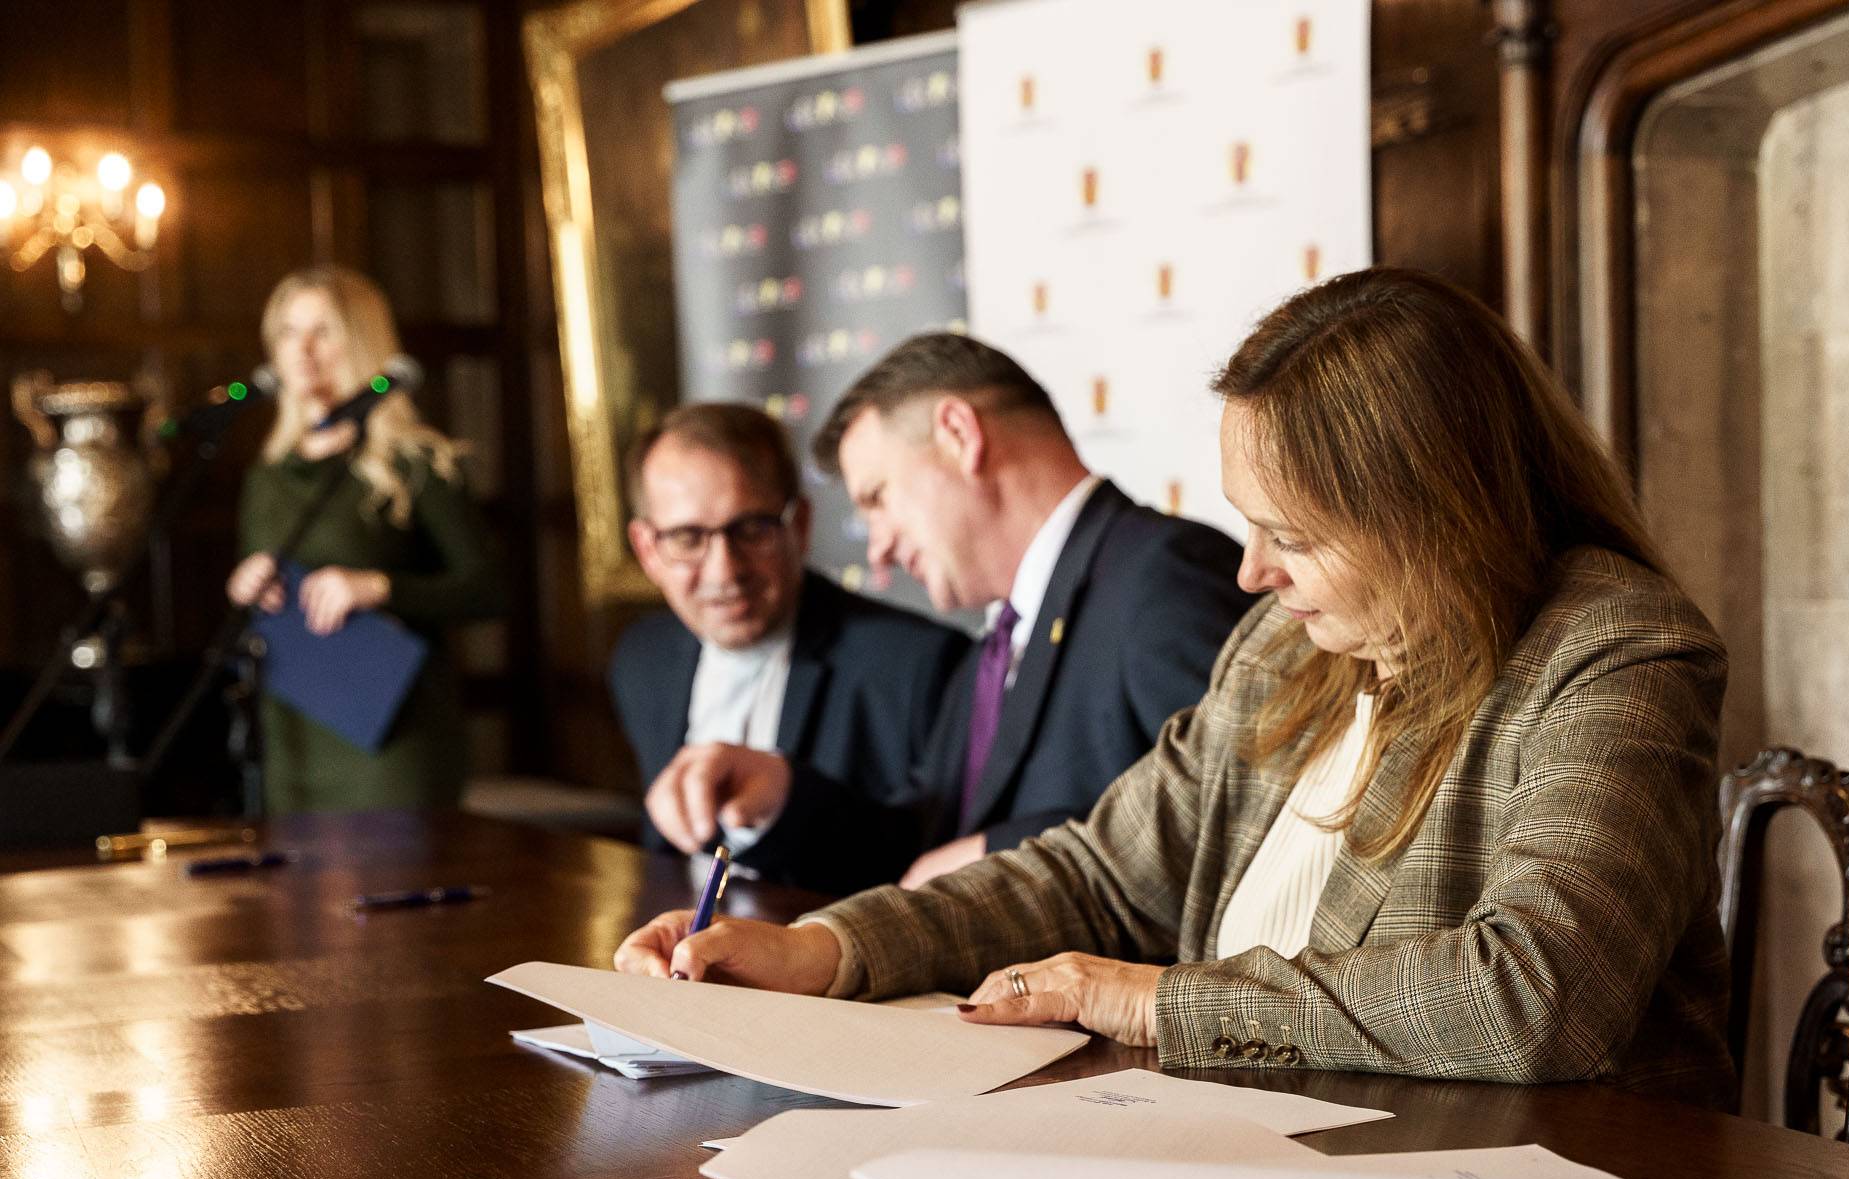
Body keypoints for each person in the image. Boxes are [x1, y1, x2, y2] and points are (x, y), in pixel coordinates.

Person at [616, 267, 1735, 1105]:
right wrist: (826, 950)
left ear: (1430, 517)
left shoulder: (1616, 653)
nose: (1250, 571)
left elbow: (1535, 994)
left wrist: (1151, 999)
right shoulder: (1288, 646)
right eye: (1249, 524)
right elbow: (1097, 873)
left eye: (1293, 534)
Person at [652, 333, 1248, 895]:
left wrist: (1004, 852)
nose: (878, 548)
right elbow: (920, 850)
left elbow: (1246, 813)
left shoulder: (1164, 576)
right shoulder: (997, 644)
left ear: (959, 434)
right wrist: (779, 796)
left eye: (877, 498)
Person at [610, 402, 967, 869]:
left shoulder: (917, 666)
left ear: (799, 526)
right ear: (647, 550)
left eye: (751, 530)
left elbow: (933, 865)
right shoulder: (640, 659)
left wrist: (785, 799)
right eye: (688, 538)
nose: (724, 571)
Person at [225, 266, 502, 813]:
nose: (302, 350)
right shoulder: (268, 474)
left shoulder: (415, 462)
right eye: (288, 332)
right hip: (294, 738)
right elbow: (256, 594)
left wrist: (378, 587)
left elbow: (490, 589)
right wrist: (245, 585)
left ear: (362, 342)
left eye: (322, 331)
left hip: (391, 741)